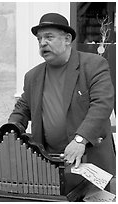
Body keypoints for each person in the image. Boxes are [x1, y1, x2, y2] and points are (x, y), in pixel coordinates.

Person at [7, 13, 116, 184]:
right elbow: (22, 108)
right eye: (39, 39)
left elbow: (102, 104)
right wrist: (10, 131)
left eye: (49, 37)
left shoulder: (94, 65)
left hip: (91, 163)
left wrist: (80, 139)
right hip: (51, 165)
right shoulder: (32, 76)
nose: (43, 43)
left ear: (67, 39)